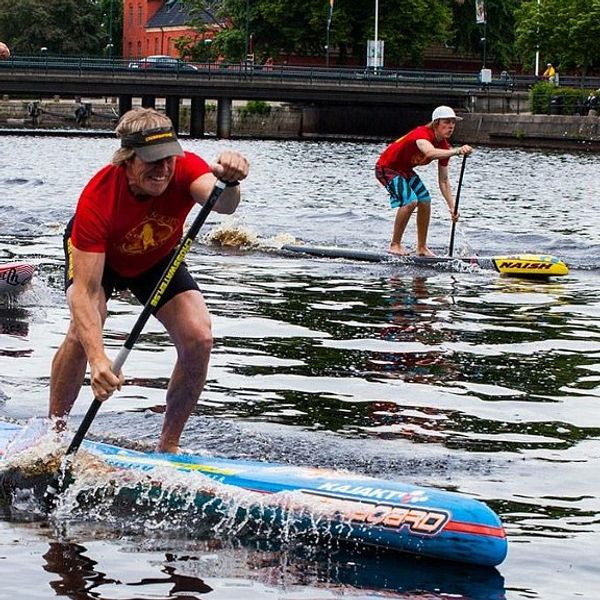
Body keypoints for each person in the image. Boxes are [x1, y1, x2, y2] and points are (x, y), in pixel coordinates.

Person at [48, 107, 249, 453]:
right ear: (126, 160)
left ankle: (168, 446)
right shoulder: (97, 199)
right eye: (152, 162)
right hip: (103, 261)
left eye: (169, 159)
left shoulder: (183, 169)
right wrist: (99, 361)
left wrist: (230, 182)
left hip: (156, 258)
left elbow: (224, 206)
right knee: (82, 334)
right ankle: (54, 435)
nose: (164, 170)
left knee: (199, 338)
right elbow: (83, 292)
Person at [375, 105, 473, 256]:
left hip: (405, 170)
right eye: (446, 122)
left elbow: (444, 180)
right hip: (387, 167)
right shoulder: (422, 134)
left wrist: (452, 206)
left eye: (453, 122)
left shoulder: (444, 147)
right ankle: (395, 244)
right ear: (436, 123)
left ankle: (421, 247)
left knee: (425, 200)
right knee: (410, 202)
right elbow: (430, 152)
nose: (451, 126)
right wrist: (457, 151)